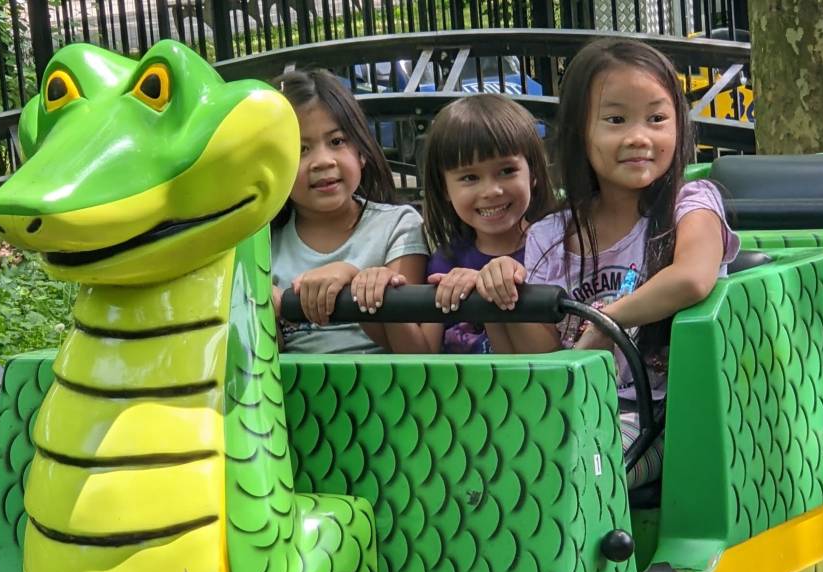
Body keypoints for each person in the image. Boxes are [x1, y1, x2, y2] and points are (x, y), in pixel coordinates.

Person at [475, 38, 740, 488]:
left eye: (657, 119)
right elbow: (548, 365)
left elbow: (693, 278)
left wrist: (605, 321)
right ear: (581, 132)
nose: (639, 137)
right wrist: (501, 287)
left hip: (665, 417)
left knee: (571, 466)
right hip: (572, 404)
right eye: (616, 120)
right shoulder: (548, 235)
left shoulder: (692, 204)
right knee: (481, 461)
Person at [372, 93, 553, 353]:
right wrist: (380, 293)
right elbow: (424, 355)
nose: (491, 190)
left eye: (506, 171)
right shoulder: (445, 262)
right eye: (469, 177)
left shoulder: (555, 249)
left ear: (533, 173)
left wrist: (492, 289)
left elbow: (553, 357)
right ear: (444, 188)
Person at [268, 68, 429, 354]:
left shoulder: (398, 226)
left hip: (389, 391)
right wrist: (261, 314)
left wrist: (360, 283)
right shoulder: (264, 246)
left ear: (362, 151)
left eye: (337, 141)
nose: (322, 161)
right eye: (300, 148)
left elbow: (419, 354)